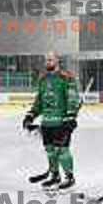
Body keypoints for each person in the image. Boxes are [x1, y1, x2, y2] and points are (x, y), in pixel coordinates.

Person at [23, 51, 80, 191]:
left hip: (61, 122)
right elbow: (39, 101)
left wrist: (71, 117)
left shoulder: (66, 78)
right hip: (46, 123)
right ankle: (55, 176)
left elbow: (72, 98)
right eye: (46, 60)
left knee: (62, 151)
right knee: (50, 151)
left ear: (57, 61)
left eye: (51, 60)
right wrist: (31, 115)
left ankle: (69, 178)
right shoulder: (42, 79)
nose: (48, 62)